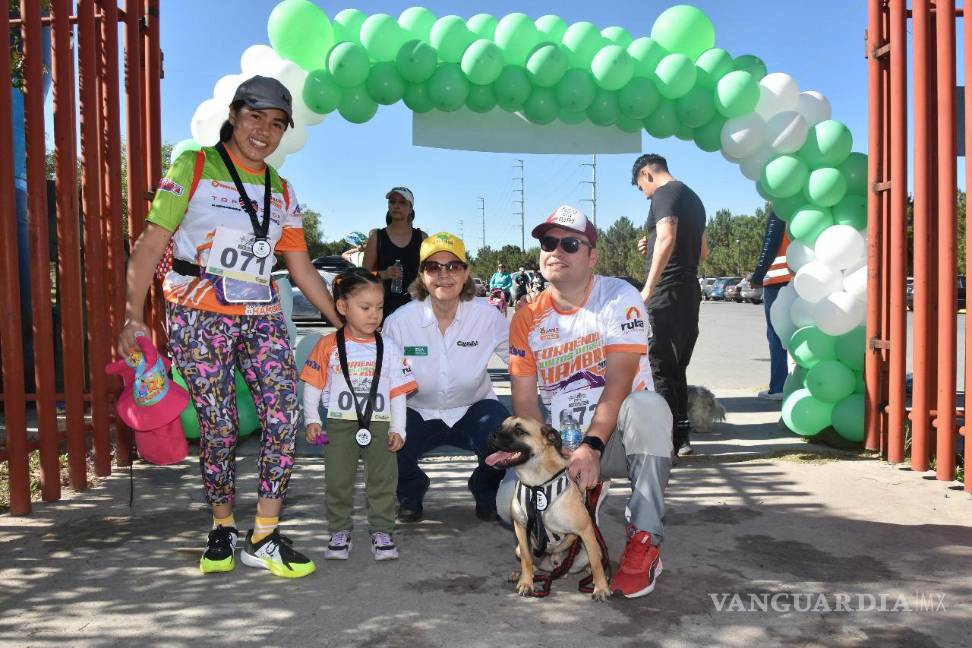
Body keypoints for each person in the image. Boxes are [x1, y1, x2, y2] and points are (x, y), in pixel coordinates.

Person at [117, 75, 340, 578]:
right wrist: (132, 316)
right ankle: (221, 527)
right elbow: (151, 243)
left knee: (283, 419)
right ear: (235, 115)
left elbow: (302, 268)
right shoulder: (194, 164)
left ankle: (264, 533)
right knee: (219, 427)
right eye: (256, 116)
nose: (265, 130)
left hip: (259, 314)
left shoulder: (281, 189)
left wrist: (341, 321)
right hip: (198, 313)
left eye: (277, 123)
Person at [499, 204, 673, 599]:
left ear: (592, 256)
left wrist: (591, 448)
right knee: (506, 501)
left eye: (570, 243)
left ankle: (645, 539)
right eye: (548, 242)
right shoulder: (526, 316)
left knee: (649, 407)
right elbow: (525, 404)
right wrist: (552, 460)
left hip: (614, 440)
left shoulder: (618, 297)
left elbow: (619, 382)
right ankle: (569, 534)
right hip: (561, 444)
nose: (556, 250)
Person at [382, 232, 510, 523]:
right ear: (421, 275)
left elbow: (519, 360)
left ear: (465, 273)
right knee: (384, 438)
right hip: (415, 409)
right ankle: (411, 492)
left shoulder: (488, 316)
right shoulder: (399, 321)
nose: (444, 275)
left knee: (505, 435)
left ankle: (484, 489)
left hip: (474, 408)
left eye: (453, 266)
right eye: (433, 267)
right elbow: (383, 377)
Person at [300, 269, 417, 561]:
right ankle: (340, 532)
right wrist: (312, 418)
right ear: (342, 307)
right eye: (365, 308)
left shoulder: (388, 348)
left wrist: (399, 429)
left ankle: (382, 532)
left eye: (379, 307)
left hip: (379, 424)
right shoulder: (328, 346)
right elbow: (313, 384)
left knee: (383, 480)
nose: (374, 315)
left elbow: (397, 391)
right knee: (338, 480)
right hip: (340, 424)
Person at [633, 153, 708, 457]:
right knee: (677, 367)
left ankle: (665, 441)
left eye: (641, 188)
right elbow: (701, 251)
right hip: (689, 290)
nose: (645, 194)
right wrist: (648, 244)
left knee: (660, 367)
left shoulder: (664, 193)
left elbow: (666, 237)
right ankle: (682, 436)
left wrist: (647, 289)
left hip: (664, 292)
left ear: (647, 175)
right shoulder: (693, 198)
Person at [362, 187, 427, 322]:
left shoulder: (422, 238)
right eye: (392, 202)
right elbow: (363, 275)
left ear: (411, 208)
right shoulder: (377, 237)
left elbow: (429, 273)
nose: (396, 206)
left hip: (415, 310)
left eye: (402, 202)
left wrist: (418, 284)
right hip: (382, 311)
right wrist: (383, 274)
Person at [750, 211, 792, 400]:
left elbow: (770, 242)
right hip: (802, 277)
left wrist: (758, 275)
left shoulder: (781, 209)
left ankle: (779, 387)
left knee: (776, 334)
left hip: (777, 279)